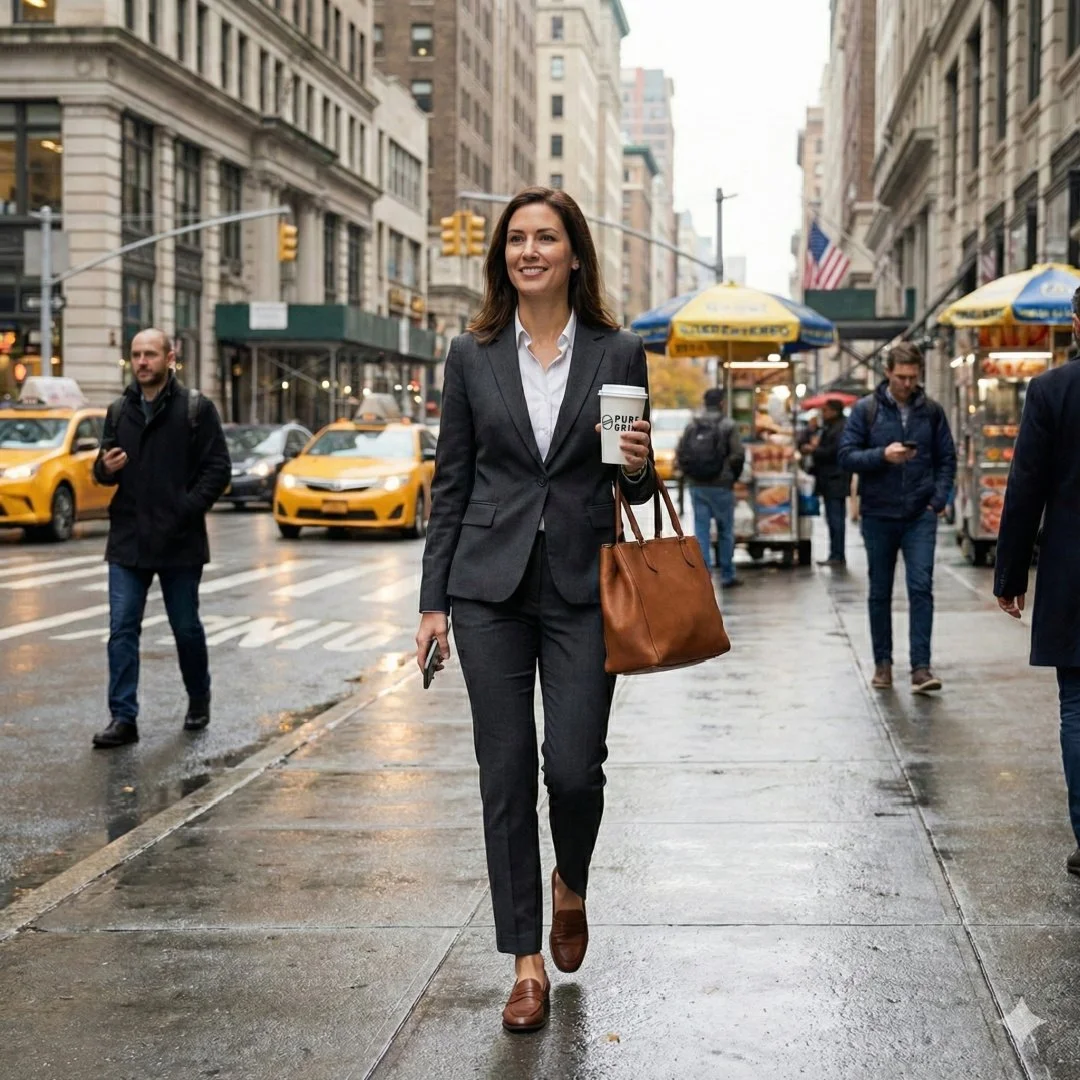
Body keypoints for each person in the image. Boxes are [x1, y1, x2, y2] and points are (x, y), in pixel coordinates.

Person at [415, 186, 655, 1033]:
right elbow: (452, 484)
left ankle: (572, 883)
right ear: (502, 258)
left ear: (574, 254)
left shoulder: (618, 350)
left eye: (545, 238)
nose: (529, 251)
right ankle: (525, 965)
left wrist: (636, 461)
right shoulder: (471, 353)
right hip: (488, 588)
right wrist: (432, 601)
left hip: (586, 586)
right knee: (506, 773)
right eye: (515, 239)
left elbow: (636, 486)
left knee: (575, 768)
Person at [90, 329, 231, 749]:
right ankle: (123, 717)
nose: (141, 362)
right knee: (121, 629)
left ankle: (198, 698)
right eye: (136, 354)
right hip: (128, 540)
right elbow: (102, 470)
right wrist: (105, 468)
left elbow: (217, 470)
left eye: (150, 354)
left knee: (185, 628)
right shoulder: (119, 410)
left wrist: (185, 509)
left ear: (171, 358)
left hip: (179, 542)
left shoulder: (195, 408)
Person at [994, 286, 1080, 879]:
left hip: (1074, 570)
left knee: (1077, 704)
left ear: (1076, 323)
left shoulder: (1052, 390)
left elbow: (1025, 486)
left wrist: (1009, 572)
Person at [838, 342, 956, 693]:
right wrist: (882, 456)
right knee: (880, 591)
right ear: (887, 372)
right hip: (878, 513)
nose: (907, 383)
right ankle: (883, 664)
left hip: (920, 513)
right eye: (901, 377)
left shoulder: (931, 411)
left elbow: (946, 458)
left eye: (913, 377)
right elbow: (846, 456)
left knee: (921, 588)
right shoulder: (866, 410)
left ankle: (921, 667)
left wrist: (937, 501)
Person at [676, 387, 745, 587]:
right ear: (722, 403)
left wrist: (690, 475)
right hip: (721, 484)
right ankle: (727, 574)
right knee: (725, 530)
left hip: (697, 484)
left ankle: (703, 575)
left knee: (701, 530)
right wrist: (732, 477)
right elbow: (738, 454)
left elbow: (681, 452)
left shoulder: (692, 424)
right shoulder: (728, 425)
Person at [811, 398, 850, 565]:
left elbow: (833, 452)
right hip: (832, 478)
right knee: (834, 518)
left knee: (836, 519)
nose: (823, 414)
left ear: (834, 411)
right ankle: (836, 553)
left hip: (835, 478)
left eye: (825, 411)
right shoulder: (832, 427)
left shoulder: (839, 428)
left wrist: (815, 450)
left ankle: (837, 554)